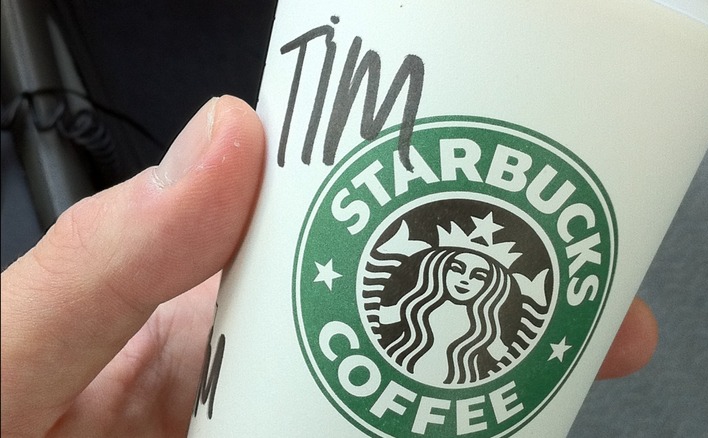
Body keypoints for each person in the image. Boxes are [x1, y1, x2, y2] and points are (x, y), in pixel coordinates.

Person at [0, 96, 658, 437]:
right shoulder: (403, 321)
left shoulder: (478, 351)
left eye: (482, 276)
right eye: (461, 267)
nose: (468, 279)